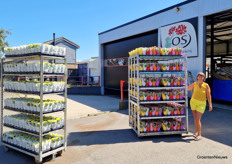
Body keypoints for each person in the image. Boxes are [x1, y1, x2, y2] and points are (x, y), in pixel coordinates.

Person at [188, 72, 213, 141]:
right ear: (197, 77)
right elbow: (188, 88)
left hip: (201, 103)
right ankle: (196, 132)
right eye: (199, 76)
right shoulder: (195, 84)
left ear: (204, 78)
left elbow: (208, 95)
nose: (200, 77)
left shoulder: (206, 85)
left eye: (202, 76)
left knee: (198, 119)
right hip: (193, 102)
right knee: (195, 118)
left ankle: (199, 135)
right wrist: (181, 85)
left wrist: (210, 104)